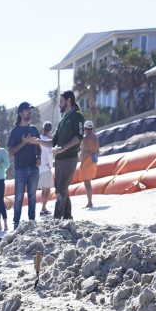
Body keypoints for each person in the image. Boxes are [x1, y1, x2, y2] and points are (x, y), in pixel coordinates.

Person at [7, 101, 41, 227]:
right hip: (20, 169)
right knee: (19, 197)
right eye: (27, 110)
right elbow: (11, 151)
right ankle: (16, 223)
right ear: (20, 113)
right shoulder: (15, 131)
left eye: (30, 110)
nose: (29, 112)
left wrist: (39, 157)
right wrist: (24, 143)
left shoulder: (34, 129)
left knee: (32, 196)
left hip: (34, 168)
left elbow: (38, 145)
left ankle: (32, 222)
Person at [52, 91, 84, 220]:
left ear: (69, 101)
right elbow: (53, 142)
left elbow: (79, 136)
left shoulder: (77, 116)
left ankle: (56, 219)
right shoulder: (62, 120)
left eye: (61, 101)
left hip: (69, 159)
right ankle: (67, 218)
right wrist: (36, 141)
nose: (59, 104)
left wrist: (63, 148)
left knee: (61, 190)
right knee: (61, 189)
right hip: (59, 160)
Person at [79, 120, 100, 208]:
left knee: (87, 183)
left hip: (87, 161)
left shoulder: (85, 138)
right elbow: (98, 150)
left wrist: (81, 163)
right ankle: (90, 201)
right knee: (89, 182)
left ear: (85, 128)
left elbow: (83, 153)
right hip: (94, 160)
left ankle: (90, 202)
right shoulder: (95, 137)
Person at [38, 122, 54, 215]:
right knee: (47, 190)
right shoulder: (48, 141)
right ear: (50, 130)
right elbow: (50, 154)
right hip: (46, 167)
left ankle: (43, 207)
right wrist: (51, 165)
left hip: (39, 168)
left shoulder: (39, 139)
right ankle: (44, 208)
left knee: (43, 189)